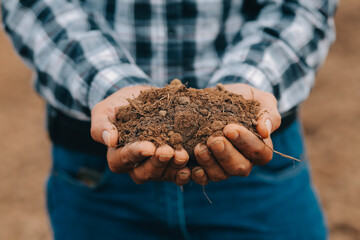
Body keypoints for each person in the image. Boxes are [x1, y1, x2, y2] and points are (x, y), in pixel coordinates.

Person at [2, 0, 337, 239]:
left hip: (255, 159)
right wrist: (118, 92)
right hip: (96, 166)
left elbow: (302, 6)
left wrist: (243, 93)